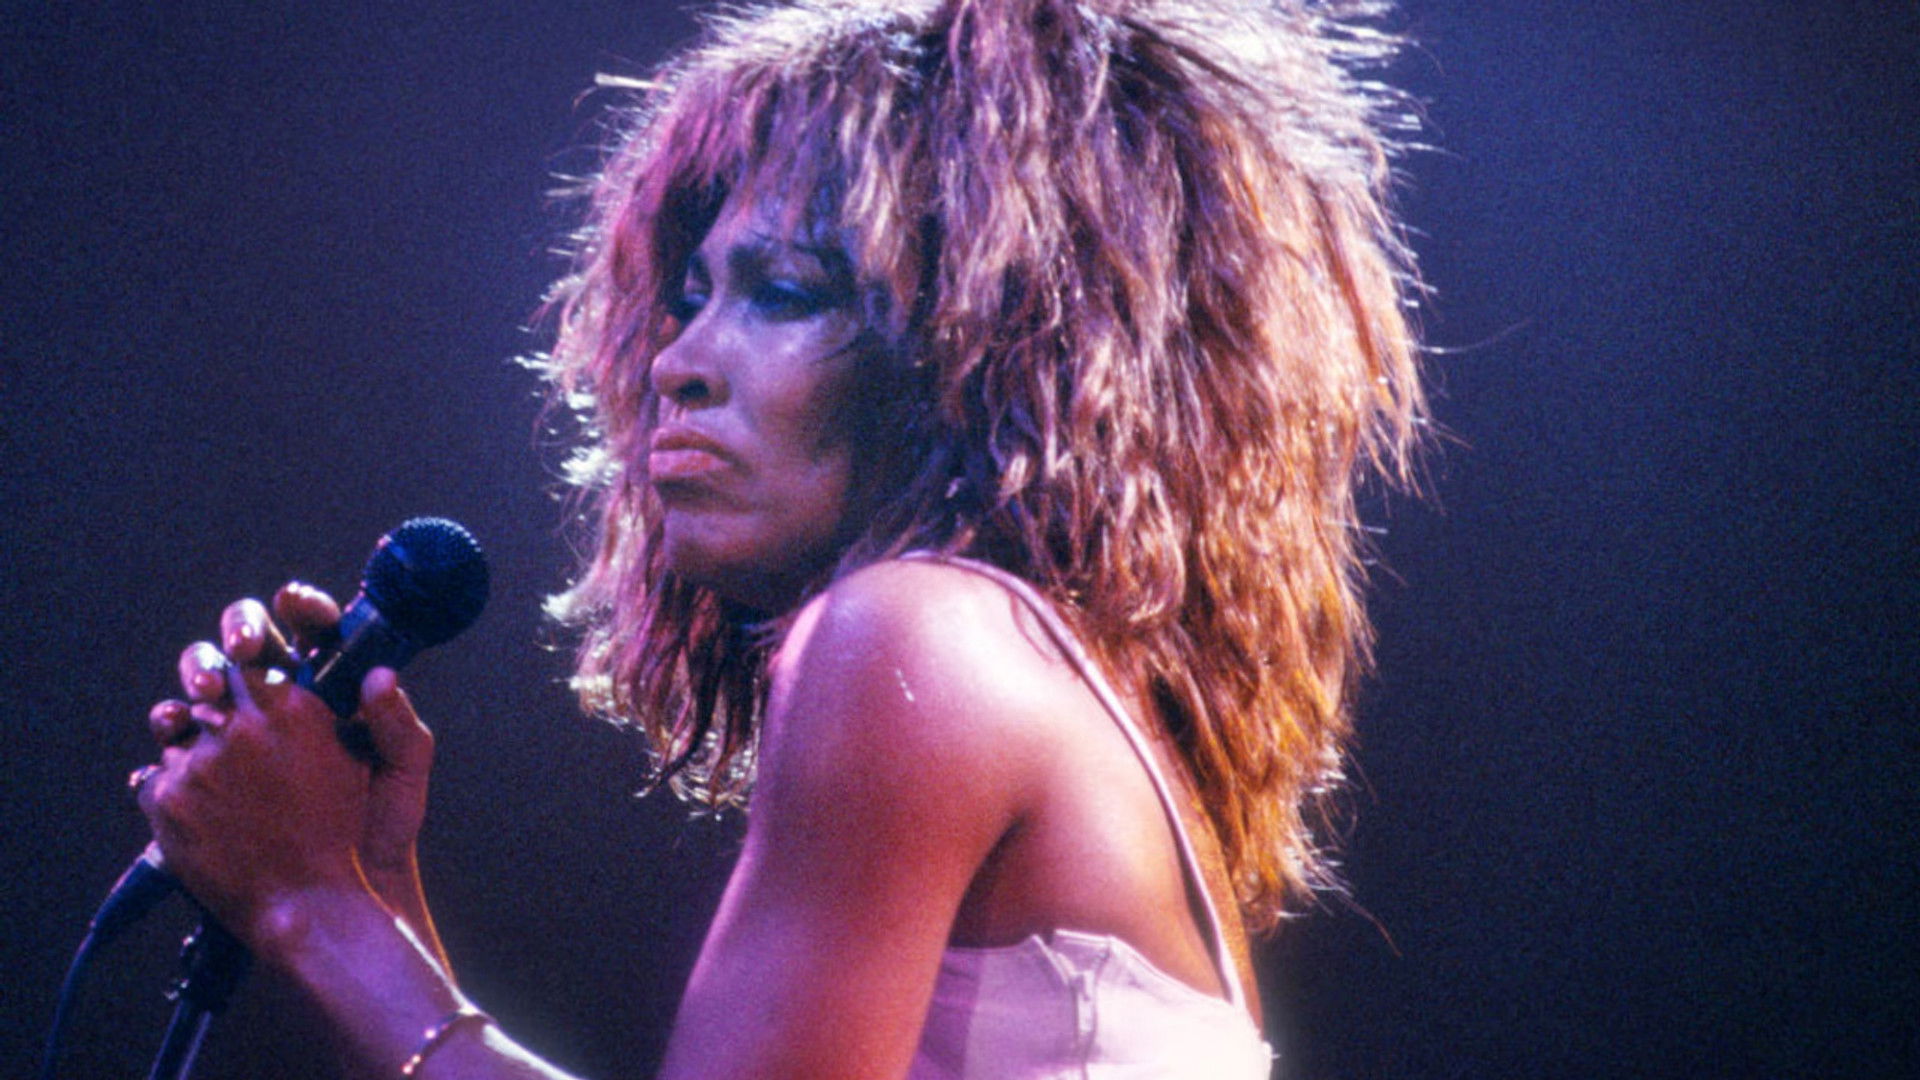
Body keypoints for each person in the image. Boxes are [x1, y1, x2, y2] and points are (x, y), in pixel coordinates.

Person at [135, 0, 1425, 1075]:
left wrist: (312, 906)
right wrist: (366, 894)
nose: (677, 362)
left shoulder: (917, 631)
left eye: (786, 293)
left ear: (984, 345)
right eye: (690, 296)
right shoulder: (1054, 692)